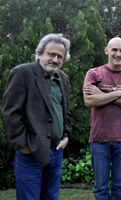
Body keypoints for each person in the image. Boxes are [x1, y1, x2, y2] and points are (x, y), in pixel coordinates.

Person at [2, 33, 72, 199]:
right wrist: (23, 145)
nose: (55, 59)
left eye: (60, 56)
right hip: (30, 154)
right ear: (40, 53)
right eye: (51, 54)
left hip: (56, 152)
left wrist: (67, 135)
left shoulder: (63, 78)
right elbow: (10, 112)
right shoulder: (22, 73)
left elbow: (65, 111)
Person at [83, 37, 121, 200]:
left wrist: (101, 94)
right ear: (106, 50)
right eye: (114, 49)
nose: (118, 53)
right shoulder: (93, 73)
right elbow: (89, 101)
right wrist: (120, 93)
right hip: (99, 139)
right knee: (101, 188)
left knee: (119, 187)